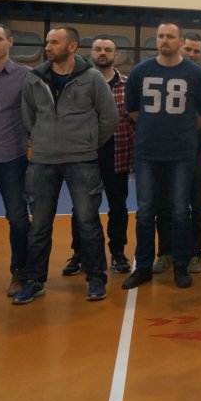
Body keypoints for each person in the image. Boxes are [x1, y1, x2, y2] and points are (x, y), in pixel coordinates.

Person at [15, 26, 118, 304]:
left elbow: (109, 118)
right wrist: (45, 140)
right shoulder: (33, 79)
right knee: (39, 225)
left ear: (72, 46)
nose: (48, 47)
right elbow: (29, 117)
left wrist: (87, 142)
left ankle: (96, 278)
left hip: (82, 160)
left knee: (88, 222)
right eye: (47, 42)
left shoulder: (92, 78)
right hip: (42, 162)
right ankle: (34, 280)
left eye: (54, 42)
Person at [122, 22, 201, 290]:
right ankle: (143, 266)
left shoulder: (196, 73)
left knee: (180, 211)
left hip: (181, 154)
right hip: (148, 153)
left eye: (170, 36)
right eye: (160, 36)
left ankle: (180, 266)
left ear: (180, 40)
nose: (165, 40)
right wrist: (156, 130)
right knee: (145, 212)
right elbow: (133, 110)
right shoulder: (141, 71)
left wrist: (180, 132)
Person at [61, 37, 136, 275]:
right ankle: (79, 253)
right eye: (98, 49)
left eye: (108, 49)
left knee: (118, 207)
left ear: (116, 54)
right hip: (85, 155)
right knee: (81, 208)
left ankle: (118, 253)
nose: (103, 53)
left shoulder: (127, 84)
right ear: (91, 53)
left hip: (118, 154)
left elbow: (134, 121)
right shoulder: (78, 82)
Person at [153, 32, 201, 274]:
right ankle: (165, 252)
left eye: (197, 51)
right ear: (180, 47)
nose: (192, 54)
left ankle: (195, 254)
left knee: (198, 206)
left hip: (196, 153)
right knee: (164, 205)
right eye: (189, 49)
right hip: (167, 154)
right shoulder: (164, 75)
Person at [0, 23, 32, 297]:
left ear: (10, 42)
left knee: (17, 218)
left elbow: (35, 114)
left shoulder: (25, 76)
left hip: (12, 159)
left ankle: (20, 273)